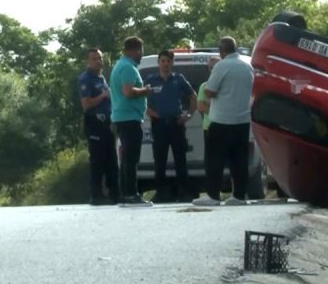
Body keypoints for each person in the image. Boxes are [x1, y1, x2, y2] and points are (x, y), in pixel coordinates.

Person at [192, 37, 254, 206]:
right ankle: (239, 196)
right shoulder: (247, 66)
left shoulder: (222, 66)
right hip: (243, 120)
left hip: (222, 120)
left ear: (222, 51)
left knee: (215, 159)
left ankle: (213, 195)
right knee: (239, 160)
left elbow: (209, 91)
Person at [145, 50, 198, 203]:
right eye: (163, 61)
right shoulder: (151, 80)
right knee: (159, 160)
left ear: (172, 63)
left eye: (168, 61)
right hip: (159, 124)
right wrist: (148, 111)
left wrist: (188, 115)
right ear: (159, 62)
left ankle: (184, 192)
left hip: (176, 123)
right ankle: (161, 193)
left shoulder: (179, 79)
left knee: (180, 159)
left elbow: (193, 96)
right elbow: (139, 98)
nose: (165, 64)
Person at [109, 36, 153, 206]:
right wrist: (145, 91)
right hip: (129, 118)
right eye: (141, 51)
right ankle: (131, 194)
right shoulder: (128, 67)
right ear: (134, 50)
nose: (141, 54)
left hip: (123, 117)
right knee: (131, 158)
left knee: (127, 157)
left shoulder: (119, 65)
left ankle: (125, 194)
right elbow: (128, 92)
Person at [78, 48, 119, 205]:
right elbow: (86, 104)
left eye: (100, 58)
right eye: (94, 59)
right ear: (88, 61)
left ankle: (114, 193)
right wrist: (102, 96)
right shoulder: (86, 79)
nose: (98, 61)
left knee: (111, 159)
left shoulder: (101, 78)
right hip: (94, 122)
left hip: (107, 122)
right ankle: (96, 195)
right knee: (97, 159)